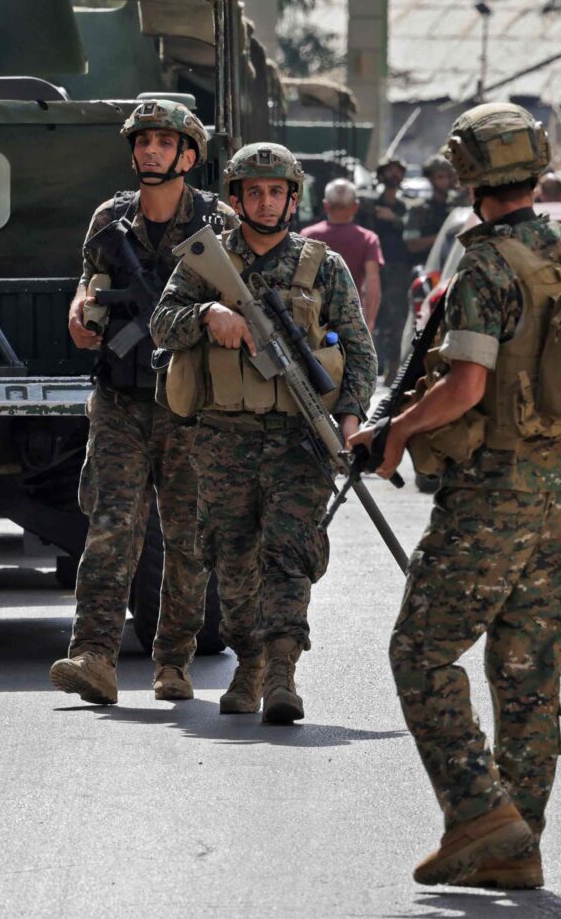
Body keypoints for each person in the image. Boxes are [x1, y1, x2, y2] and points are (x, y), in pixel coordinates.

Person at [361, 103, 561, 891]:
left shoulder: (488, 267)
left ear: (468, 177)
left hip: (491, 498)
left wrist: (394, 430)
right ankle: (518, 843)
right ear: (535, 169)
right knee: (529, 670)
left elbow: (466, 386)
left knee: (420, 654)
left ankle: (479, 809)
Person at [152, 143, 376, 724]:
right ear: (236, 198)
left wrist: (349, 421)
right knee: (232, 557)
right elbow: (161, 322)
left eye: (277, 191)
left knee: (289, 552)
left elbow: (359, 351)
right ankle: (247, 663)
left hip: (298, 438)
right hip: (223, 437)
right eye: (254, 191)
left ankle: (281, 673)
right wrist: (207, 316)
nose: (266, 201)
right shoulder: (205, 261)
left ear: (293, 199)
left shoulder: (323, 266)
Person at [49, 101, 226, 707]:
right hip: (120, 397)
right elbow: (89, 281)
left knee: (187, 537)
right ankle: (93, 655)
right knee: (111, 525)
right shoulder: (110, 218)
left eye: (163, 141)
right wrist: (80, 311)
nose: (150, 150)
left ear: (189, 156)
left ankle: (173, 660)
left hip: (189, 405)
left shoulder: (217, 223)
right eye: (143, 140)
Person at [303, 178, 384, 329]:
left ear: (326, 206)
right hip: (351, 319)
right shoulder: (368, 239)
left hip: (314, 318)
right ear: (355, 207)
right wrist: (370, 321)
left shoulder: (308, 236)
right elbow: (372, 283)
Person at [367, 157, 416, 375]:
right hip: (372, 266)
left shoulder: (409, 205)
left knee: (396, 318)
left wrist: (395, 218)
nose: (394, 176)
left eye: (398, 172)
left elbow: (413, 233)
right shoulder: (369, 203)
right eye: (390, 171)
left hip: (398, 267)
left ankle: (392, 368)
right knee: (371, 315)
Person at [404, 155, 462, 261]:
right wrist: (441, 237)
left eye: (447, 177)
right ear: (431, 179)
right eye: (440, 177)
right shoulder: (418, 210)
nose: (445, 181)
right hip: (425, 265)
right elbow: (412, 245)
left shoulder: (457, 209)